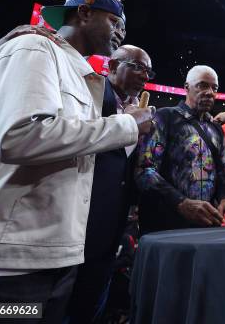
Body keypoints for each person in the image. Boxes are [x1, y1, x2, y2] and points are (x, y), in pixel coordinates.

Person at [0, 0, 152, 323]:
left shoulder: (79, 74)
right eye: (114, 22)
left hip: (54, 256)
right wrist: (126, 124)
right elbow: (17, 136)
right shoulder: (31, 47)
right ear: (83, 14)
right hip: (4, 266)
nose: (120, 33)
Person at [65, 45, 154, 323]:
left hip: (113, 221)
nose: (144, 76)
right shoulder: (89, 93)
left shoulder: (137, 107)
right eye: (137, 66)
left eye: (148, 71)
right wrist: (126, 122)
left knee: (92, 301)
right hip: (77, 218)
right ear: (113, 67)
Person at [135, 65, 225, 233]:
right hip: (164, 222)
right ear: (186, 87)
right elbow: (144, 169)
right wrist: (181, 202)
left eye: (214, 88)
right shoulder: (165, 117)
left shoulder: (216, 129)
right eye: (203, 85)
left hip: (206, 221)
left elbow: (223, 174)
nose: (210, 92)